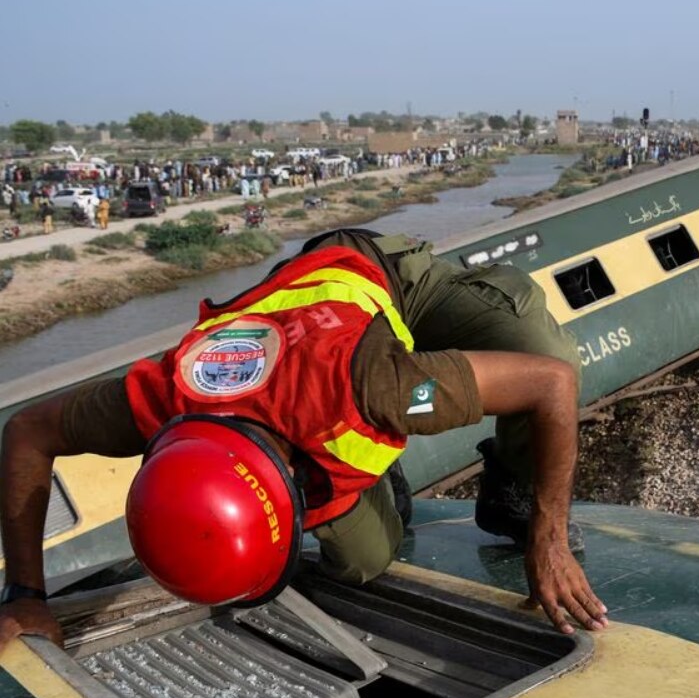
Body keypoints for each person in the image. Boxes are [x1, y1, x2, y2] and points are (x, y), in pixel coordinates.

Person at [0, 229, 608, 653]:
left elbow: (549, 384)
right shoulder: (163, 395)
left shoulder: (372, 388)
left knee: (542, 349)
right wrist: (26, 594)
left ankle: (511, 497)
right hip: (298, 330)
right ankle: (379, 482)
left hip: (380, 278)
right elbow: (26, 431)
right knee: (364, 562)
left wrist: (548, 536)